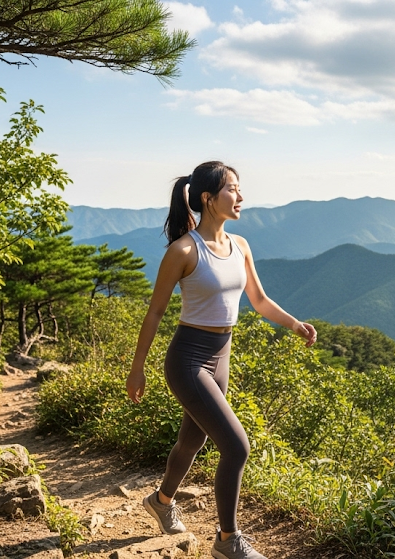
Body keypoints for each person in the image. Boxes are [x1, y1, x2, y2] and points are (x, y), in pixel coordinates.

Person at [126, 161, 317, 559]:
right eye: (232, 189)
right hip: (188, 359)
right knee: (237, 446)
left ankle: (161, 501)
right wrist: (137, 367)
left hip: (221, 356)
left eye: (240, 187)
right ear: (208, 199)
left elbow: (259, 301)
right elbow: (155, 312)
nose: (241, 196)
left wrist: (295, 324)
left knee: (192, 440)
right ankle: (228, 540)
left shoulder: (240, 245)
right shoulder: (183, 250)